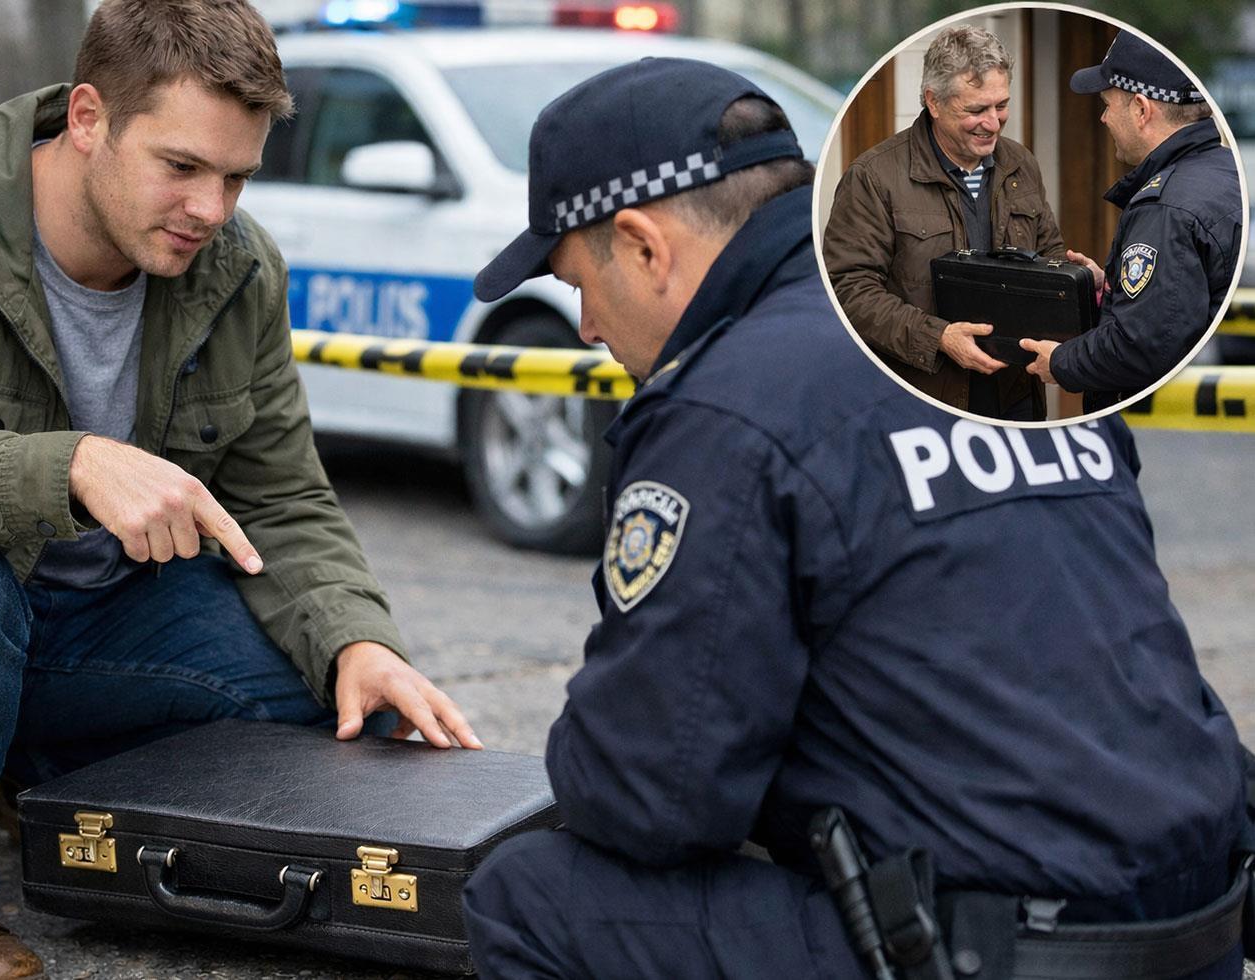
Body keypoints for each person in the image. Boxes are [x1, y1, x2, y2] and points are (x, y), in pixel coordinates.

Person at [460, 56, 1250, 980]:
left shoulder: (727, 402)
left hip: (999, 952)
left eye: (575, 282)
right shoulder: (983, 373)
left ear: (642, 245)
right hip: (1199, 925)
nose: (588, 326)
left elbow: (651, 797)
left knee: (530, 896)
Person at [0, 1, 479, 977]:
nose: (214, 208)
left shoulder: (237, 267)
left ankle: (46, 786)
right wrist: (61, 463)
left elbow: (280, 500)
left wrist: (359, 640)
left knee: (319, 686)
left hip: (94, 624)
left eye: (238, 175)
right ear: (86, 118)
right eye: (183, 167)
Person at [823, 26, 1065, 421]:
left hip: (1016, 395)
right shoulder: (874, 176)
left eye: (1001, 105)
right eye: (975, 110)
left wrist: (1076, 287)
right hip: (923, 401)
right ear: (933, 102)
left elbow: (1049, 254)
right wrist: (938, 338)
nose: (993, 123)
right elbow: (847, 290)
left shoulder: (1021, 163)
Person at [1021, 31, 1242, 415]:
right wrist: (1114, 290)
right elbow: (1182, 301)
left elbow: (1142, 345)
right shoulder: (1221, 170)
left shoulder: (1164, 207)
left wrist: (1059, 362)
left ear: (1141, 109)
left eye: (1106, 105)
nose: (1104, 118)